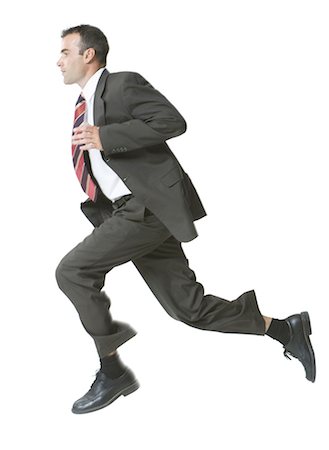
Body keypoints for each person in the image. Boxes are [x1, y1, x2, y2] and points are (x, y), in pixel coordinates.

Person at [56, 24, 316, 414]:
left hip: (145, 209)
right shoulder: (85, 106)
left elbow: (171, 122)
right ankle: (285, 328)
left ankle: (112, 370)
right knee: (188, 309)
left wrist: (106, 137)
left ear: (88, 54)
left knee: (72, 271)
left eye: (64, 52)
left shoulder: (122, 85)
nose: (58, 61)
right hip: (130, 214)